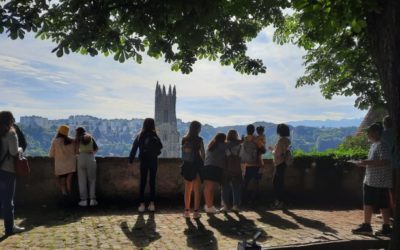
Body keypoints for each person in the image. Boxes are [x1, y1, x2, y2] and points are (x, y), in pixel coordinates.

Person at [352, 123, 393, 236]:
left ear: (376, 133)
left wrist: (366, 162)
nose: (367, 134)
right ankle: (384, 227)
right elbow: (376, 162)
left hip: (379, 180)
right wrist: (363, 164)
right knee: (379, 204)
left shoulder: (382, 145)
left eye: (369, 132)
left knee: (374, 203)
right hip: (373, 179)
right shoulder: (374, 145)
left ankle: (370, 226)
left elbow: (385, 161)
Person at [129, 118, 163, 213]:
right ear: (153, 125)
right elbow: (161, 146)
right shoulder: (154, 135)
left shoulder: (140, 136)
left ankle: (141, 205)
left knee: (143, 182)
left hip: (143, 161)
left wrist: (131, 160)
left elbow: (134, 148)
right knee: (152, 182)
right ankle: (152, 204)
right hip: (153, 161)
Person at [0, 111, 25, 236]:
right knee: (8, 200)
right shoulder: (11, 133)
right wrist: (20, 148)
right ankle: (10, 228)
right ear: (10, 120)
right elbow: (14, 152)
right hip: (7, 170)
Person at [181, 121, 205, 219]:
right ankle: (195, 212)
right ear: (198, 129)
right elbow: (203, 154)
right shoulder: (199, 139)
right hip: (197, 164)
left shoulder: (184, 139)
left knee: (187, 189)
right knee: (197, 190)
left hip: (187, 165)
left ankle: (186, 211)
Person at [49, 125, 77, 200]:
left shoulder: (55, 141)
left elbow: (51, 154)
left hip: (60, 165)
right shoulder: (72, 140)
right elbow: (76, 152)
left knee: (62, 182)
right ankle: (71, 196)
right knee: (69, 180)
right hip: (71, 165)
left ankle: (65, 197)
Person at [202, 133, 226, 214]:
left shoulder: (212, 145)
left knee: (209, 188)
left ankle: (209, 205)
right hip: (214, 168)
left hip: (208, 167)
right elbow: (231, 145)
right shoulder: (221, 145)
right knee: (210, 188)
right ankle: (209, 206)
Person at [75, 127, 99, 207]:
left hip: (81, 157)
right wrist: (91, 152)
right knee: (92, 180)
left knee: (82, 180)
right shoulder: (90, 138)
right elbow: (96, 148)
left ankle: (84, 200)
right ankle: (92, 200)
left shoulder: (78, 139)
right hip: (91, 157)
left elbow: (75, 150)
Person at [270, 123, 291, 209]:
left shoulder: (281, 141)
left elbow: (277, 153)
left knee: (276, 183)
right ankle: (280, 202)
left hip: (279, 163)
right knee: (280, 183)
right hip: (284, 163)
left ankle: (278, 202)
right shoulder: (287, 140)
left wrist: (272, 151)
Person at [221, 129, 242, 212]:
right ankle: (236, 206)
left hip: (227, 169)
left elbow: (224, 157)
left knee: (225, 188)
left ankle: (225, 206)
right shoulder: (240, 146)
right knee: (236, 188)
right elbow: (241, 157)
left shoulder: (225, 145)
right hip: (237, 169)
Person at [240, 124, 261, 203]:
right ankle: (255, 199)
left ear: (247, 130)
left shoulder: (243, 139)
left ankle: (242, 199)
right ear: (253, 130)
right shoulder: (256, 140)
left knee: (245, 182)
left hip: (245, 164)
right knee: (256, 182)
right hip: (255, 163)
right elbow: (261, 150)